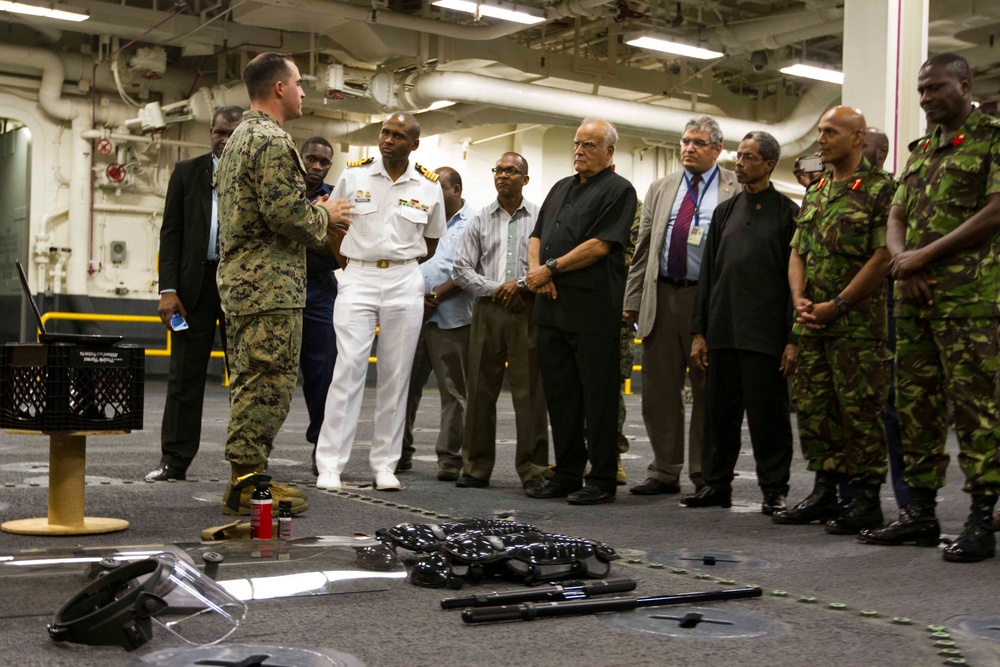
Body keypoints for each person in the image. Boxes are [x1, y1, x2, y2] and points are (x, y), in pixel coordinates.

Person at [859, 53, 1000, 562]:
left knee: (975, 409)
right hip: (914, 297)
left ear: (964, 85)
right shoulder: (921, 151)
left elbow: (995, 211)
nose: (924, 99)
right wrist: (904, 262)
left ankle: (982, 519)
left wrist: (925, 256)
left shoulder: (993, 138)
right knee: (913, 405)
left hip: (969, 301)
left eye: (935, 88)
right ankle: (919, 513)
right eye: (920, 91)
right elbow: (896, 214)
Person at [215, 52, 353, 515]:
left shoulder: (237, 138)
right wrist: (326, 215)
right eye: (299, 84)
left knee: (251, 380)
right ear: (279, 88)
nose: (303, 93)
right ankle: (249, 481)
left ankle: (247, 476)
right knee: (268, 383)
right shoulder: (272, 140)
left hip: (244, 283)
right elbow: (285, 214)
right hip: (268, 286)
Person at [772, 106, 895, 535]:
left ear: (858, 136)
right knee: (814, 408)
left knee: (859, 410)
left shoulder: (882, 190)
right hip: (813, 321)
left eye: (830, 132)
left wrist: (839, 304)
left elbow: (883, 257)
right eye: (819, 131)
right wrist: (800, 299)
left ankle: (865, 500)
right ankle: (825, 490)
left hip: (857, 325)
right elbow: (797, 251)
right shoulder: (818, 189)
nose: (820, 139)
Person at [314, 112, 446, 492]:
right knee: (348, 369)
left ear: (414, 144)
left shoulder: (428, 185)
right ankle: (330, 465)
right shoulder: (354, 175)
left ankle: (384, 465)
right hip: (358, 276)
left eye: (398, 136)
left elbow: (432, 241)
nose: (388, 140)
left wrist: (400, 263)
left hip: (405, 278)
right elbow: (331, 226)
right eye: (385, 132)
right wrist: (352, 265)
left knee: (396, 373)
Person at [681, 131, 799, 514]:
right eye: (739, 156)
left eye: (749, 157)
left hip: (765, 335)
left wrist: (792, 339)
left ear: (768, 164)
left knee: (770, 419)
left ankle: (774, 490)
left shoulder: (788, 213)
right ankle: (716, 485)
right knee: (719, 417)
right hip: (723, 330)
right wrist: (700, 333)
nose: (740, 163)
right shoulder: (724, 212)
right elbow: (709, 276)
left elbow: (795, 282)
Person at [524, 119, 637, 505]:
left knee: (598, 398)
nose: (579, 151)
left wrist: (550, 269)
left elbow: (601, 245)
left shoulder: (620, 191)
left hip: (592, 310)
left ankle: (602, 477)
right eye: (576, 143)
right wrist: (537, 274)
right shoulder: (560, 188)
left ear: (609, 152)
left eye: (589, 145)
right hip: (551, 307)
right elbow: (537, 236)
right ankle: (569, 472)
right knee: (561, 396)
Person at [624, 115, 738, 496]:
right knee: (658, 390)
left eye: (698, 143)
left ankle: (703, 473)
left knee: (706, 390)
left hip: (705, 299)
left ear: (717, 150)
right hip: (662, 294)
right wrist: (633, 300)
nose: (688, 148)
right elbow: (643, 251)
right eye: (685, 142)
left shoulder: (733, 189)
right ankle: (664, 470)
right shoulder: (661, 187)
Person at [146, 105, 243, 482]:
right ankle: (174, 460)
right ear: (211, 132)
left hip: (239, 288)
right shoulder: (187, 173)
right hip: (191, 291)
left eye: (232, 134)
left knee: (246, 378)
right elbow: (170, 234)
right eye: (220, 132)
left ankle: (246, 464)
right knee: (184, 376)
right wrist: (167, 290)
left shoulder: (254, 175)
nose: (224, 140)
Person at [451, 152, 550, 493]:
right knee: (479, 389)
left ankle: (534, 470)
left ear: (525, 178)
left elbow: (548, 263)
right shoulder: (479, 219)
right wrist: (499, 289)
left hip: (528, 310)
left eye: (512, 170)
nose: (503, 175)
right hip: (488, 309)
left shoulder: (541, 217)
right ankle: (475, 467)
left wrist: (521, 286)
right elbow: (461, 269)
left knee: (531, 394)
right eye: (499, 170)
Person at [399, 166, 474, 482]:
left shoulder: (474, 223)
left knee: (454, 393)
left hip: (452, 320)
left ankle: (449, 459)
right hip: (413, 314)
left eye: (440, 187)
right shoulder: (420, 217)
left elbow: (468, 268)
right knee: (403, 389)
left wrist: (435, 296)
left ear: (456, 189)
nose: (433, 194)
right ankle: (398, 454)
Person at [860, 126, 910, 510]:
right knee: (855, 405)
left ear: (880, 153)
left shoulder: (889, 189)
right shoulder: (830, 189)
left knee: (892, 404)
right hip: (848, 315)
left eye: (862, 145)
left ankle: (909, 501)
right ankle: (855, 498)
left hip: (885, 308)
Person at [300, 136, 341, 477]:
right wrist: (316, 230)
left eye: (323, 162)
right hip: (277, 288)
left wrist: (299, 233)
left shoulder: (336, 199)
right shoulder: (281, 191)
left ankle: (321, 447)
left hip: (320, 294)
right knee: (271, 375)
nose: (316, 166)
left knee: (322, 376)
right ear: (299, 157)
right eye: (311, 158)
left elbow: (336, 250)